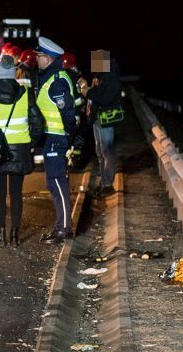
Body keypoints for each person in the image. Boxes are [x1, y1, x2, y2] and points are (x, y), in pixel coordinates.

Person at [0, 55, 44, 246]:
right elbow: (38, 122)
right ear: (13, 74)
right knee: (16, 194)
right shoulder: (24, 94)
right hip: (20, 150)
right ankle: (15, 234)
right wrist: (32, 143)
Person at [35, 37, 78, 244]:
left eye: (40, 56)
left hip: (56, 138)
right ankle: (60, 226)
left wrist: (69, 137)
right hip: (52, 138)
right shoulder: (51, 78)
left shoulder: (57, 81)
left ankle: (64, 228)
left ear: (48, 58)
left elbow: (67, 113)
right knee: (53, 183)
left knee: (57, 183)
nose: (37, 60)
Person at [80, 49, 122, 197]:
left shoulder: (111, 77)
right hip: (98, 118)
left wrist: (88, 92)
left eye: (95, 62)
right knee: (100, 152)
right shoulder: (100, 75)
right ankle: (104, 182)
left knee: (107, 151)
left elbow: (106, 99)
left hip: (106, 119)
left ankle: (108, 185)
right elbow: (98, 95)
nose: (92, 65)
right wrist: (87, 88)